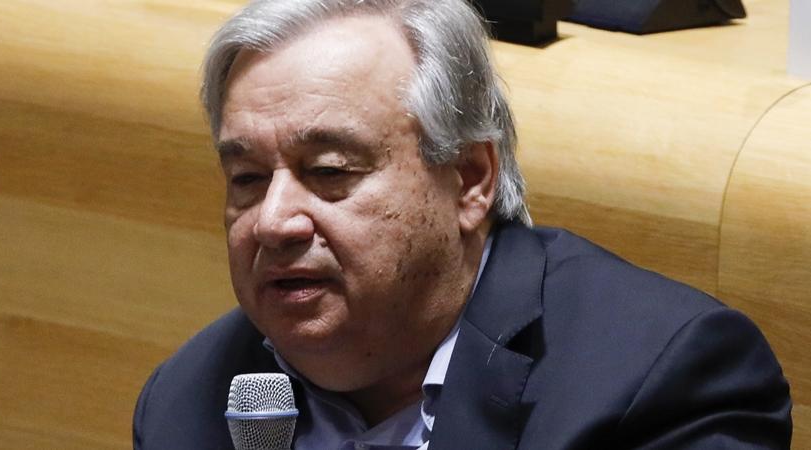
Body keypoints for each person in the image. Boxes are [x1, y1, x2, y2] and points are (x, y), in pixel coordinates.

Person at [132, 0, 792, 448]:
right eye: (247, 178)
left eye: (330, 171)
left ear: (469, 179)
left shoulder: (656, 382)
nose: (273, 222)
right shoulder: (191, 402)